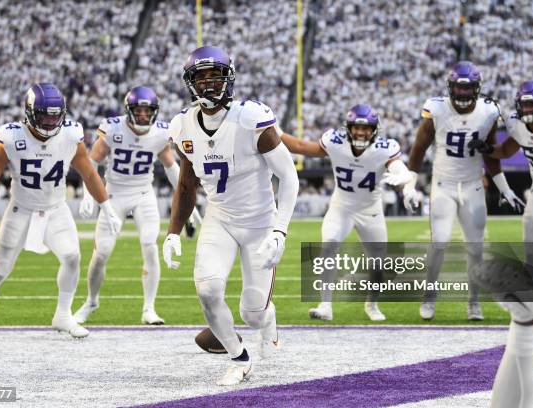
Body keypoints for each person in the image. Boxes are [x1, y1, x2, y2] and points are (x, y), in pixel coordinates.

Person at [162, 46, 299, 385]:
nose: (209, 83)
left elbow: (289, 176)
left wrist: (279, 230)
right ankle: (240, 358)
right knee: (208, 289)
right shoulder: (182, 126)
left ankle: (267, 319)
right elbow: (185, 186)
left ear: (229, 77)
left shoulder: (250, 117)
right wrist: (173, 232)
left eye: (215, 75)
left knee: (252, 314)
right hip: (219, 218)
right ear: (190, 82)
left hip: (259, 222)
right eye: (201, 76)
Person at [0, 83, 121, 341]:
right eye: (44, 115)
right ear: (30, 113)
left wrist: (107, 207)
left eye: (55, 115)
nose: (50, 121)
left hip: (56, 209)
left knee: (72, 256)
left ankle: (63, 315)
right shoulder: (12, 137)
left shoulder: (70, 134)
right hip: (20, 209)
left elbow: (89, 172)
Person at [403, 61, 524, 321]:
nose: (463, 93)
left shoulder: (489, 112)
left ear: (476, 89)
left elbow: (491, 155)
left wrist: (506, 189)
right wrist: (409, 184)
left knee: (476, 248)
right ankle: (429, 296)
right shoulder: (436, 108)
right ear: (451, 88)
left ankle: (473, 303)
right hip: (442, 185)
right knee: (440, 242)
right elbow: (419, 148)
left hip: (472, 185)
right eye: (459, 88)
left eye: (468, 89)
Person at [74, 86, 201, 325]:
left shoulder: (161, 133)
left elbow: (171, 167)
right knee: (101, 253)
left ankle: (149, 309)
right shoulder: (112, 128)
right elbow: (90, 164)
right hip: (113, 194)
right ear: (129, 110)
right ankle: (91, 301)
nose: (143, 116)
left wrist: (190, 203)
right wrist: (88, 195)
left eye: (147, 111)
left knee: (149, 244)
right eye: (139, 111)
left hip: (144, 193)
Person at [280, 104, 412, 322]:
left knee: (378, 265)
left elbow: (396, 165)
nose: (361, 132)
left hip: (371, 211)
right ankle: (325, 305)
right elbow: (302, 146)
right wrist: (274, 131)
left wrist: (405, 180)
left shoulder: (384, 147)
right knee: (329, 247)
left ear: (374, 129)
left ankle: (372, 304)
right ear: (348, 128)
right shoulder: (335, 141)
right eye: (357, 128)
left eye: (366, 128)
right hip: (342, 207)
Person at [469, 80, 533, 408]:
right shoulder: (516, 124)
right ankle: (532, 302)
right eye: (526, 106)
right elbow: (507, 150)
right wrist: (489, 150)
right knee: (531, 245)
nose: (529, 111)